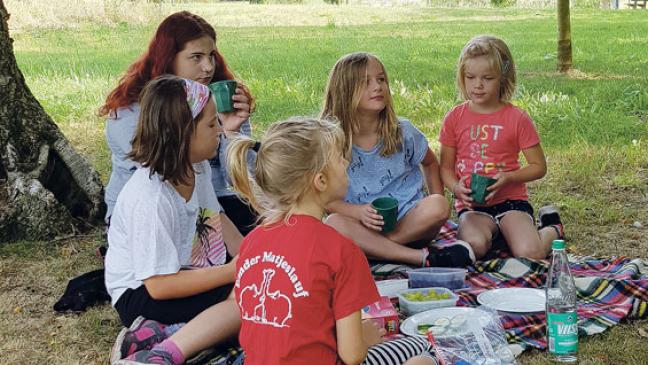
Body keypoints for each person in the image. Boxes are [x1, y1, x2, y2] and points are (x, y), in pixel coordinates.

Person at [226, 117, 436, 365]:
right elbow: (352, 355)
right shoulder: (340, 249)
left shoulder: (253, 241)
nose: (346, 162)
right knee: (423, 353)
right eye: (339, 158)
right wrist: (365, 337)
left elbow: (247, 310)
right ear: (321, 181)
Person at [107, 76, 241, 364]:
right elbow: (159, 285)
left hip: (187, 271)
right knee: (246, 303)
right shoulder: (151, 197)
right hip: (142, 293)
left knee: (254, 289)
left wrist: (251, 256)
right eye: (210, 124)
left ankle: (175, 333)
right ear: (182, 133)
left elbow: (216, 218)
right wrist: (232, 272)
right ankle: (158, 350)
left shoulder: (198, 168)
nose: (219, 129)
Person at [99, 11, 257, 236]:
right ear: (169, 58)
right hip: (152, 212)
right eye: (196, 57)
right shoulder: (133, 111)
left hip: (212, 201)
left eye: (211, 55)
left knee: (271, 226)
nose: (208, 67)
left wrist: (233, 133)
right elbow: (162, 174)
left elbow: (244, 181)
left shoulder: (220, 97)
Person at [322, 52, 473, 268]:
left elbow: (430, 163)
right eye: (366, 82)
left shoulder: (402, 131)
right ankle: (419, 258)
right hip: (361, 226)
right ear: (344, 91)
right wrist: (358, 213)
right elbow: (326, 201)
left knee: (438, 205)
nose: (377, 87)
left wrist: (434, 198)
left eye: (381, 79)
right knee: (334, 223)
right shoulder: (330, 142)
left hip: (410, 225)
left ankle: (377, 250)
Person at [439, 35, 564, 261]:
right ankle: (501, 236)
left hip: (512, 203)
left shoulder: (517, 118)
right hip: (473, 208)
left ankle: (552, 228)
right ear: (462, 78)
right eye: (470, 77)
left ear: (502, 79)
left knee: (530, 253)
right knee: (474, 246)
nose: (478, 84)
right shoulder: (454, 118)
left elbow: (539, 166)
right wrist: (457, 189)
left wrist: (508, 177)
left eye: (487, 78)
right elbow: (445, 169)